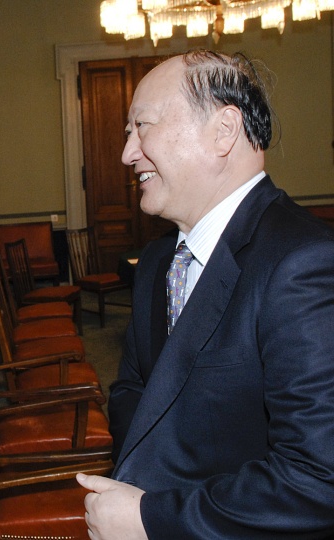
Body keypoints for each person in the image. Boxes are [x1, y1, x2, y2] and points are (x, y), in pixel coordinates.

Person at [76, 50, 334, 538]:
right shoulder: (159, 259)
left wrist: (152, 517)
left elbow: (317, 479)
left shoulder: (305, 263)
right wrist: (140, 489)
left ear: (223, 130)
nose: (127, 153)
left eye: (141, 127)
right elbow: (133, 390)